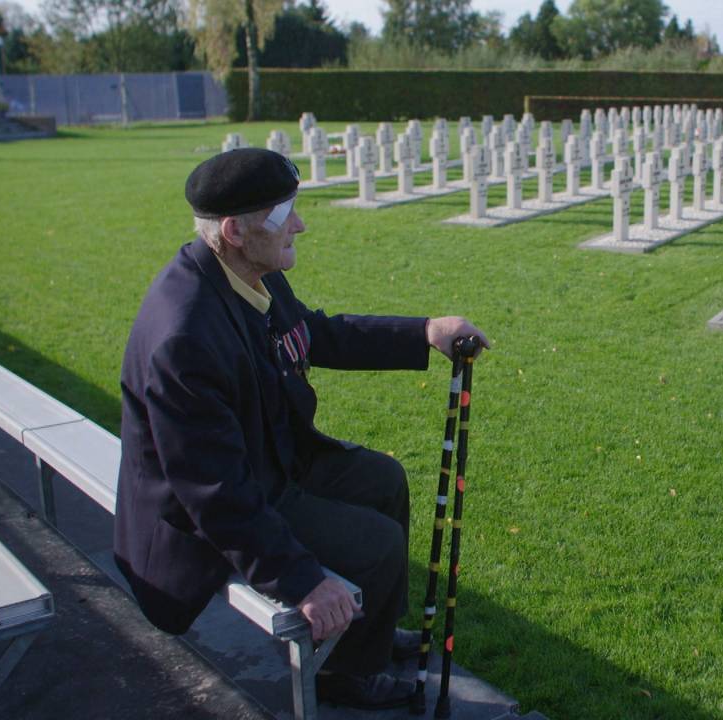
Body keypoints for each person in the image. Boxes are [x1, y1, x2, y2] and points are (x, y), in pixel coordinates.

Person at [114, 148, 488, 710]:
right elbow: (211, 493)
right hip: (209, 515)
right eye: (283, 213)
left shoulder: (245, 274)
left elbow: (314, 334)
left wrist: (424, 332)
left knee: (383, 480)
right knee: (376, 545)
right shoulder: (185, 337)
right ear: (235, 231)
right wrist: (301, 580)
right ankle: (343, 673)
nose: (300, 224)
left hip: (267, 461)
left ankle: (372, 633)